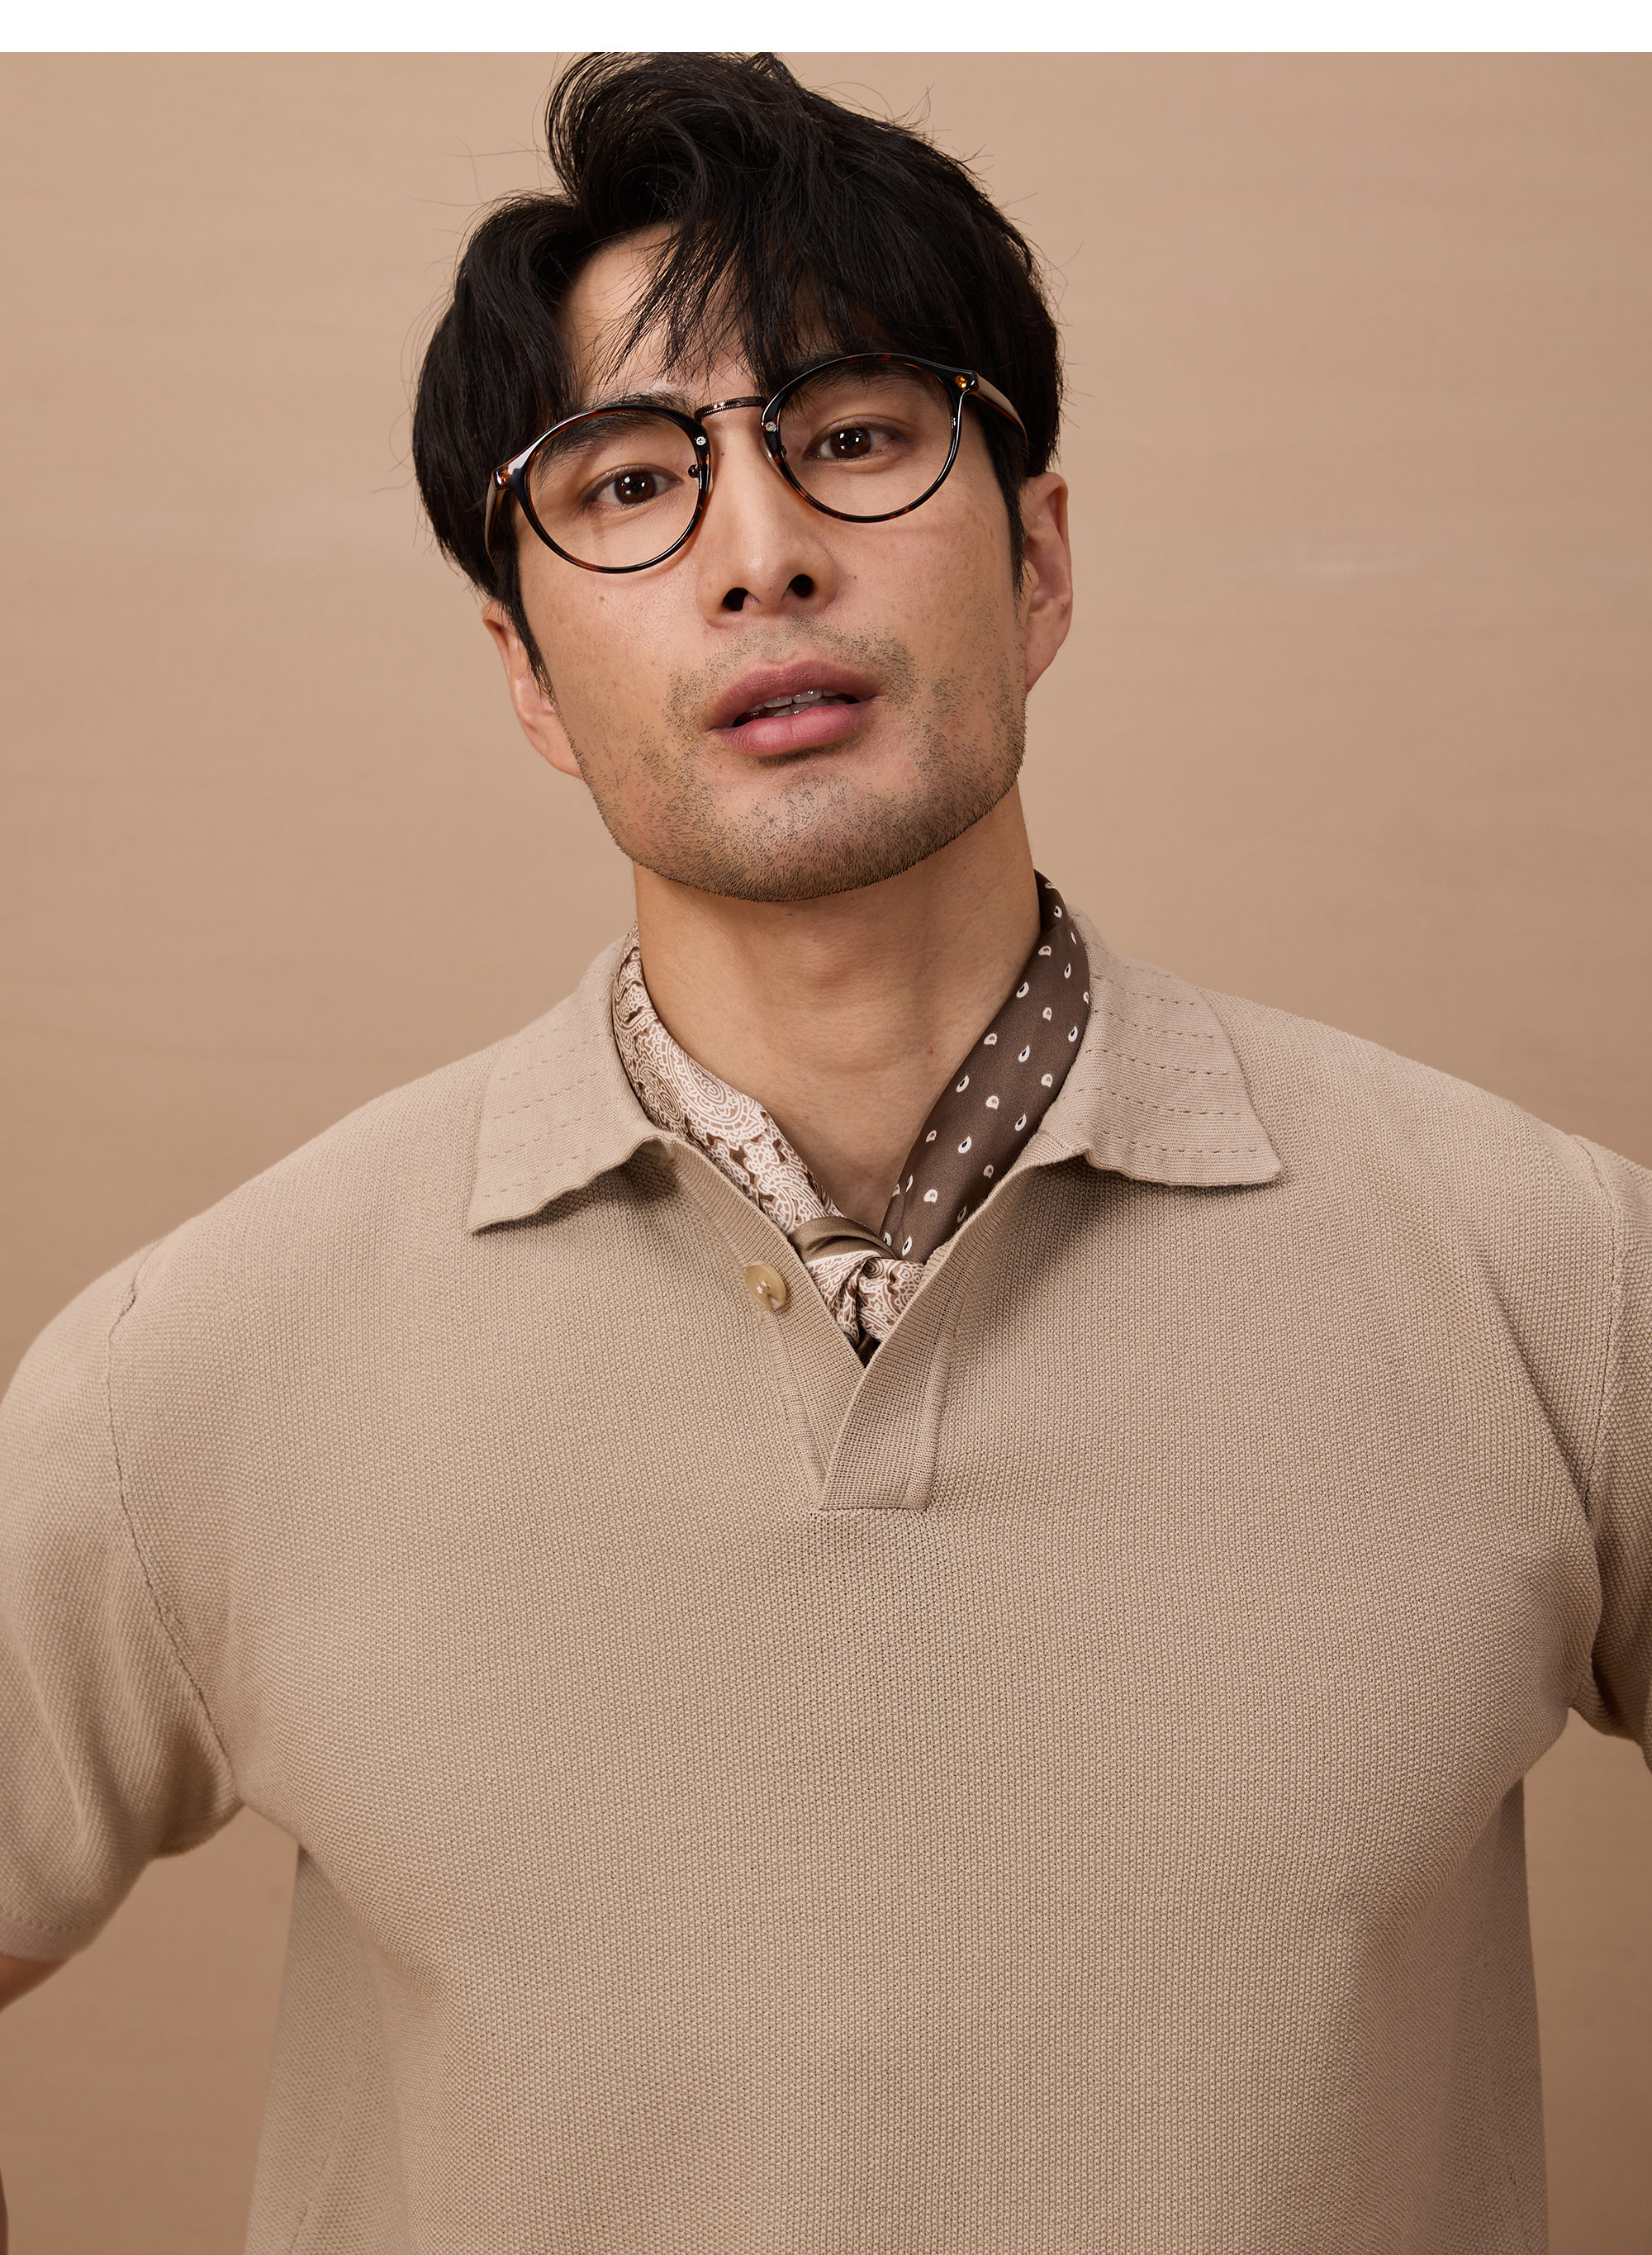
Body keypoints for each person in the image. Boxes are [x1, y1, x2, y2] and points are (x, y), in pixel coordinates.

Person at [0, 49, 1647, 2255]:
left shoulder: (1553, 1278)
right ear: (524, 670)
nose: (760, 555)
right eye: (625, 483)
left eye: (853, 438)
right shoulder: (202, 1364)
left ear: (1037, 559)